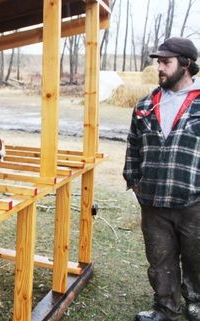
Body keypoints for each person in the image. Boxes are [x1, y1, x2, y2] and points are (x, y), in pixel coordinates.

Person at [123, 37, 200, 321]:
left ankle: (197, 302)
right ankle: (165, 307)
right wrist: (134, 181)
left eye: (166, 62)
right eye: (159, 62)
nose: (160, 67)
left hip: (193, 200)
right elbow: (133, 144)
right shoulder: (146, 104)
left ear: (187, 65)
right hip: (153, 200)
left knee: (196, 257)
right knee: (160, 259)